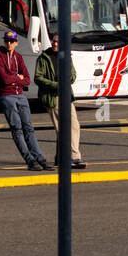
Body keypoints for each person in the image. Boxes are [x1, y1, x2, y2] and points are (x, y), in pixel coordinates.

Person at [0, 30, 52, 171]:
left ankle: (40, 158)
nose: (9, 43)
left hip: (20, 95)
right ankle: (30, 160)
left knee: (29, 128)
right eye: (6, 40)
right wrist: (17, 78)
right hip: (6, 95)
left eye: (11, 41)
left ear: (16, 43)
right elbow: (5, 79)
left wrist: (15, 79)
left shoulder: (18, 57)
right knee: (17, 128)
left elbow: (28, 79)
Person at [36, 33, 85, 169]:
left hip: (67, 96)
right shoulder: (44, 58)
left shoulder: (66, 57)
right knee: (62, 129)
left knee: (74, 125)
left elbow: (73, 75)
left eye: (58, 42)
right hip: (53, 97)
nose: (55, 44)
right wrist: (56, 85)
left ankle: (67, 157)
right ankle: (70, 157)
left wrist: (68, 79)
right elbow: (38, 78)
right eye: (54, 41)